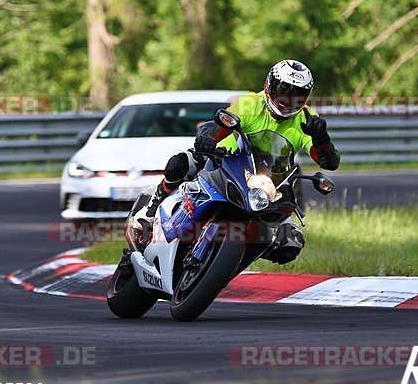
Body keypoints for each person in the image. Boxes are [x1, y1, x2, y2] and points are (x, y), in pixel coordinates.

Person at [130, 59, 340, 263]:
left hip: (267, 185)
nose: (288, 101)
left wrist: (322, 138)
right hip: (226, 159)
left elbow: (328, 162)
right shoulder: (250, 103)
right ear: (269, 86)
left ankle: (237, 256)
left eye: (297, 96)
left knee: (291, 245)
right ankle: (151, 208)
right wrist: (206, 140)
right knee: (181, 163)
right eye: (284, 91)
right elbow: (217, 125)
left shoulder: (308, 119)